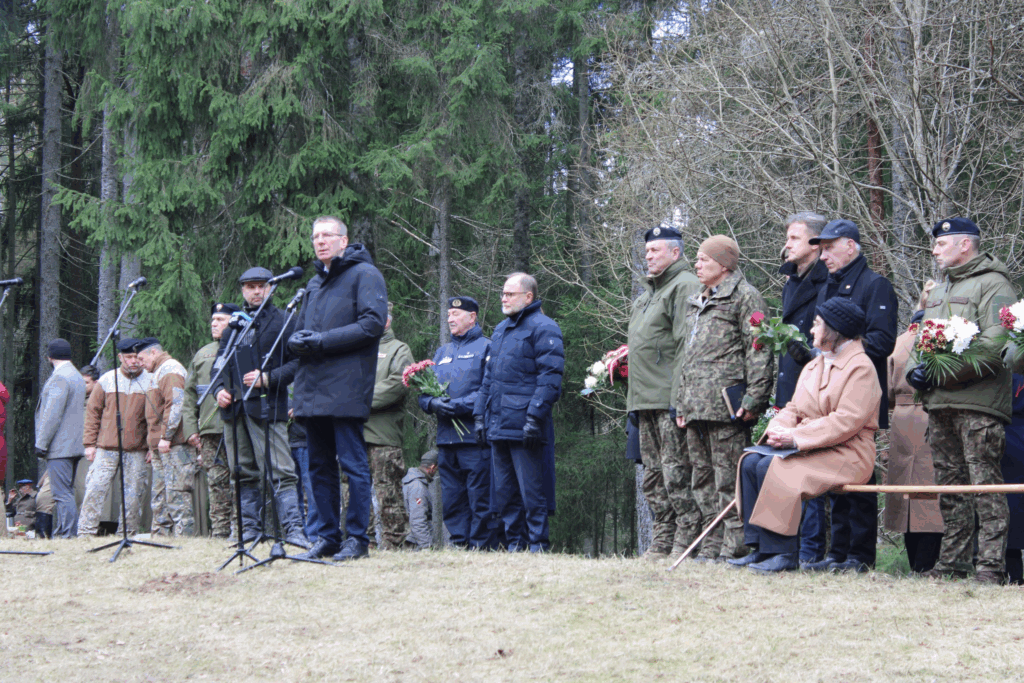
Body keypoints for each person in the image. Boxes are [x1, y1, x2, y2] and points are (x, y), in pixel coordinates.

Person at [731, 299, 881, 572]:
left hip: (850, 453)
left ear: (835, 329)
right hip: (812, 446)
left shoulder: (861, 368)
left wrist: (796, 437)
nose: (811, 330)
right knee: (751, 462)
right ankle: (762, 549)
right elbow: (794, 408)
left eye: (817, 324)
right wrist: (778, 429)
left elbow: (846, 421)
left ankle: (784, 552)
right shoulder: (815, 364)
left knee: (774, 466)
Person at [907, 217, 1017, 584]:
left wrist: (939, 374)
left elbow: (995, 345)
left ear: (964, 245)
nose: (934, 250)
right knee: (951, 490)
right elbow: (920, 339)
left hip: (978, 406)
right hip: (940, 406)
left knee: (985, 488)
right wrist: (914, 371)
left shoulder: (995, 284)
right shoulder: (939, 291)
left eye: (941, 244)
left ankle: (990, 568)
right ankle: (952, 565)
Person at [796, 219, 898, 573]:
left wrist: (839, 354)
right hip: (827, 395)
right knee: (834, 475)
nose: (823, 256)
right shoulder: (828, 287)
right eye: (821, 249)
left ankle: (860, 556)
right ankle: (837, 553)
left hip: (859, 394)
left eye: (829, 248)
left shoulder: (875, 285)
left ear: (851, 246)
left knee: (859, 476)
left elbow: (882, 341)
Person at [288, 215, 388, 562]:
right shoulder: (314, 284)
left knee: (353, 466)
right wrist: (296, 341)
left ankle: (357, 539)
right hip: (312, 388)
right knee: (318, 467)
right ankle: (328, 537)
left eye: (327, 235)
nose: (320, 241)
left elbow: (372, 324)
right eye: (315, 236)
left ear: (344, 241)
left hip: (346, 387)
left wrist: (321, 341)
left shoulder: (365, 274)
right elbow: (302, 331)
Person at [676, 236, 774, 562]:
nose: (697, 265)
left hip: (727, 407)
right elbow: (686, 356)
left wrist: (754, 398)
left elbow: (759, 349)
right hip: (695, 405)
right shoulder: (696, 300)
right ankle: (711, 545)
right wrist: (681, 401)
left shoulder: (745, 296)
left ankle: (736, 547)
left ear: (723, 264)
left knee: (728, 479)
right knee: (701, 480)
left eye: (704, 259)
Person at [213, 269, 307, 548]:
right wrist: (218, 390)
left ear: (270, 288)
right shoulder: (233, 325)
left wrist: (268, 378)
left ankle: (293, 531)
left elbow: (299, 362)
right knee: (241, 472)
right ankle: (249, 531)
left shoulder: (285, 321)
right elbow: (218, 365)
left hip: (267, 406)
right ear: (242, 290)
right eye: (250, 287)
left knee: (281, 471)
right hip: (234, 410)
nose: (256, 291)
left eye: (261, 286)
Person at [625, 226, 702, 561]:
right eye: (647, 251)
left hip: (669, 398)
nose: (649, 256)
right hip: (644, 400)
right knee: (654, 476)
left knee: (677, 472)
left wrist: (679, 398)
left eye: (655, 250)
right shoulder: (646, 296)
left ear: (675, 252)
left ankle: (688, 539)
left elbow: (687, 345)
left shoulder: (684, 285)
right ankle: (662, 539)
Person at [474, 272, 563, 553]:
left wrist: (534, 417)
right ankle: (516, 545)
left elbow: (550, 377)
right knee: (505, 492)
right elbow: (488, 378)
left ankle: (538, 546)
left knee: (532, 492)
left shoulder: (545, 327)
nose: (503, 298)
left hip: (525, 425)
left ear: (528, 296)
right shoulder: (500, 330)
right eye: (503, 293)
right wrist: (479, 415)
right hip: (498, 423)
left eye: (510, 294)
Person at [775, 213, 831, 566]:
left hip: (816, 384)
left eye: (794, 238)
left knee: (812, 468)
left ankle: (812, 550)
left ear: (815, 243)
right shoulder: (791, 281)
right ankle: (788, 547)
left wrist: (810, 355)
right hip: (790, 384)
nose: (787, 245)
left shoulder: (829, 281)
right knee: (787, 466)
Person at [419, 296, 494, 550]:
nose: (450, 318)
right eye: (449, 314)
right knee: (452, 496)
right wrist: (432, 404)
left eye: (456, 314)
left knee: (479, 494)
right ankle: (460, 543)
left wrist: (458, 406)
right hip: (446, 438)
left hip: (474, 438)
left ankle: (481, 545)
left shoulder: (487, 348)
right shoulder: (442, 353)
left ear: (472, 317)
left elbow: (488, 390)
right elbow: (424, 393)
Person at [883, 282, 944, 573]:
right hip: (934, 415)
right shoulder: (942, 339)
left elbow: (886, 391)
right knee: (931, 496)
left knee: (906, 496)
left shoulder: (900, 341)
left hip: (901, 420)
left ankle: (915, 564)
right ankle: (928, 563)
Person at [77, 337, 152, 537]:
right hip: (106, 447)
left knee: (134, 495)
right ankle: (85, 532)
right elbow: (92, 413)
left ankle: (128, 533)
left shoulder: (150, 381)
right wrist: (89, 444)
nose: (133, 361)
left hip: (137, 449)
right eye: (129, 357)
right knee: (95, 489)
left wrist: (152, 446)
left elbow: (155, 419)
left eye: (136, 357)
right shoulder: (107, 380)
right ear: (120, 357)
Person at [183, 303, 239, 538]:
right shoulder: (202, 354)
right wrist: (190, 428)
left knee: (240, 478)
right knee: (216, 481)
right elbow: (189, 395)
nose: (214, 324)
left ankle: (241, 530)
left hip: (237, 426)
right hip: (210, 429)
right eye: (213, 320)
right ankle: (220, 532)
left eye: (220, 320)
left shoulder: (244, 346)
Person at [362, 302, 414, 549]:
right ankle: (362, 540)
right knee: (353, 490)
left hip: (383, 435)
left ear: (387, 320)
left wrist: (358, 400)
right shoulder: (357, 348)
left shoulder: (399, 350)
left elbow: (398, 383)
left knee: (387, 491)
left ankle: (395, 542)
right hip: (353, 433)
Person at [137, 337, 195, 537]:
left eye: (141, 358)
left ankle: (184, 538)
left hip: (175, 445)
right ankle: (161, 536)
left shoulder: (171, 369)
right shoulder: (157, 372)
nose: (140, 364)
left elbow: (176, 404)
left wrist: (166, 436)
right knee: (160, 495)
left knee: (177, 493)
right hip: (160, 445)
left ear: (153, 352)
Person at [34, 338, 87, 538]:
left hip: (60, 446)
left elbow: (52, 414)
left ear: (49, 357)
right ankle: (65, 531)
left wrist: (41, 443)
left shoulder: (60, 378)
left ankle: (68, 534)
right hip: (74, 445)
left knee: (61, 493)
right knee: (66, 491)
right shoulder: (76, 375)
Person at [403, 449, 439, 551]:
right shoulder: (417, 487)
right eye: (437, 469)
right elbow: (418, 520)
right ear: (432, 467)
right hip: (413, 545)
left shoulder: (412, 481)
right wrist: (427, 547)